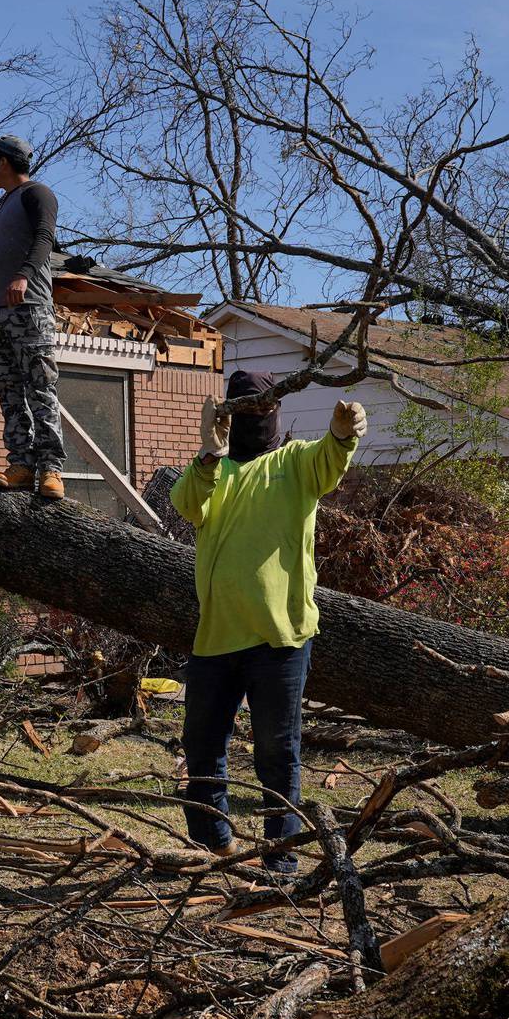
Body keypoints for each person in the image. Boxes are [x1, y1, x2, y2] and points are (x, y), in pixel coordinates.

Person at [170, 372, 367, 876]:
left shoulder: (295, 462)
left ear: (274, 413)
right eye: (246, 412)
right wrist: (209, 454)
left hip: (280, 638)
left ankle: (281, 858)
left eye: (264, 411)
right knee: (202, 747)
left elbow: (330, 461)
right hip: (215, 638)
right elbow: (187, 504)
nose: (256, 422)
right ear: (229, 417)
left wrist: (344, 434)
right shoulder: (211, 471)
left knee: (278, 752)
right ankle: (212, 845)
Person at [0, 134, 65, 500]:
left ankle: (51, 471)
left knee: (40, 387)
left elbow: (45, 237)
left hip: (28, 309)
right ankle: (21, 465)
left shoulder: (37, 194)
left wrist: (24, 275)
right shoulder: (2, 205)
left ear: (4, 162)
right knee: (8, 391)